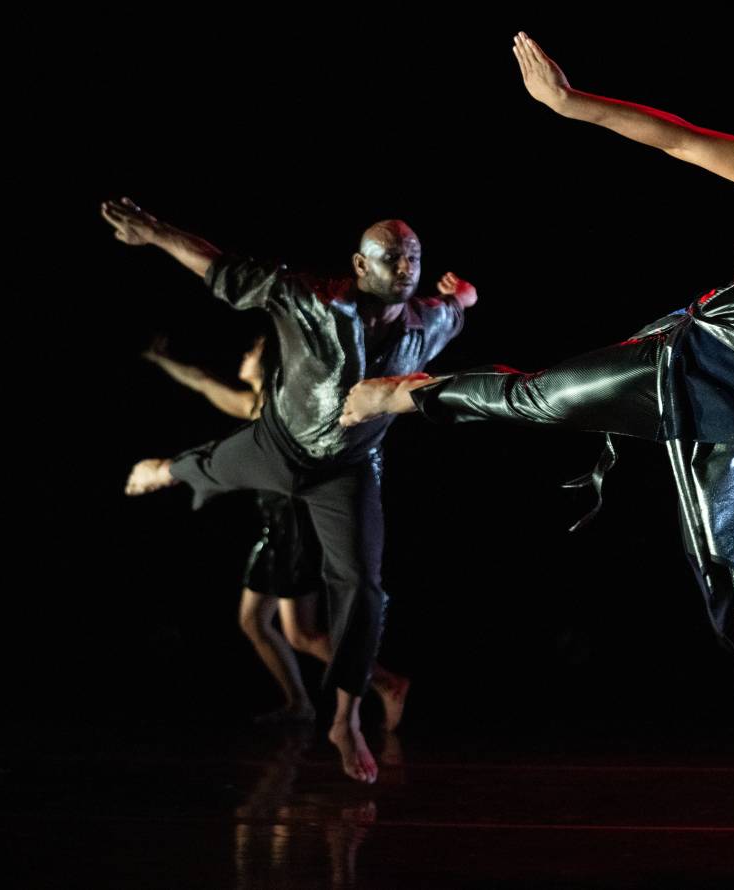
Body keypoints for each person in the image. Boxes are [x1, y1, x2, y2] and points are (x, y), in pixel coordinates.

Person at [341, 32, 734, 879]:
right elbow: (677, 138)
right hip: (691, 367)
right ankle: (401, 392)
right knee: (539, 397)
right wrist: (570, 103)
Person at [105, 201, 475, 783]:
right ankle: (162, 469)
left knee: (363, 587)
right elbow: (218, 268)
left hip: (348, 470)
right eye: (391, 257)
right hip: (278, 444)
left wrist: (465, 294)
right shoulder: (310, 296)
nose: (405, 266)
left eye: (413, 258)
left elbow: (460, 305)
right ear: (360, 263)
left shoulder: (430, 320)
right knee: (212, 465)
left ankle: (345, 718)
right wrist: (155, 233)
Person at [138, 335, 411, 728]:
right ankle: (299, 703)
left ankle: (386, 683)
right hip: (275, 529)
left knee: (300, 635)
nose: (244, 355)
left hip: (297, 532)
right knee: (253, 620)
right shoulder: (254, 405)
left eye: (251, 352)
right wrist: (161, 360)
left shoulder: (280, 410)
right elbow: (202, 382)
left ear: (266, 365)